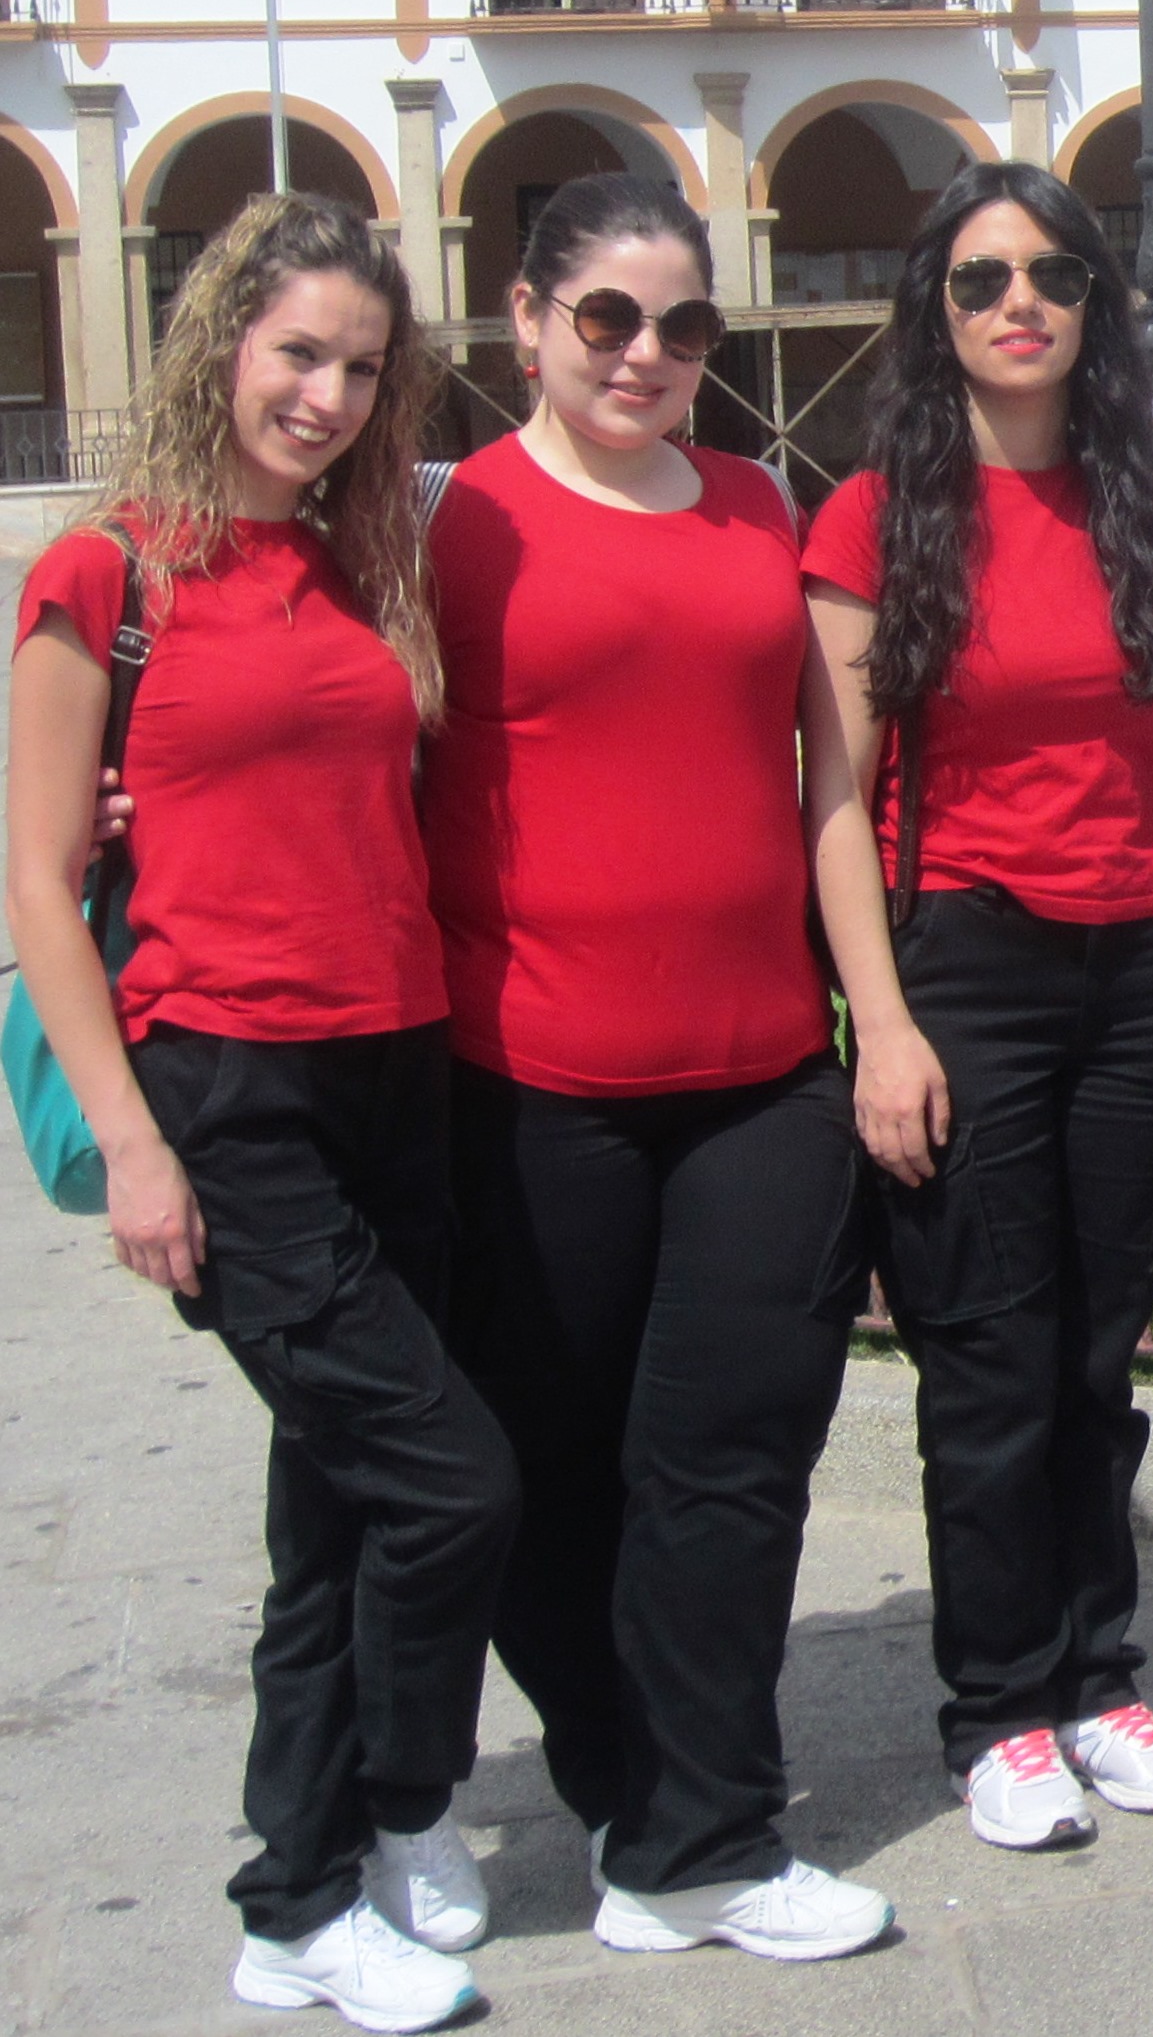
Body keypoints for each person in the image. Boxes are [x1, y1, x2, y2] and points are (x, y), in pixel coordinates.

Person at [6, 196, 510, 2035]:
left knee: (341, 1511)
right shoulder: (106, 574)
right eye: (298, 349)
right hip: (223, 1085)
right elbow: (40, 883)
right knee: (453, 1481)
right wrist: (134, 1142)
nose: (325, 391)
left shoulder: (372, 557)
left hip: (399, 1066)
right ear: (220, 334)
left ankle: (328, 1885)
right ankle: (320, 1869)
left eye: (363, 367)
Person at [426, 173, 893, 1959]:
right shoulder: (454, 520)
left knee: (737, 1461)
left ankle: (703, 1828)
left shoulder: (754, 502)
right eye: (607, 317)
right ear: (527, 318)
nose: (644, 352)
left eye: (683, 325)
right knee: (552, 1466)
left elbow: (830, 786)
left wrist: (875, 1022)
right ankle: (625, 1780)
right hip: (533, 1075)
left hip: (759, 1072)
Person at [804, 166, 1153, 1848]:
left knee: (1098, 1353)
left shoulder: (1150, 509)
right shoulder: (874, 519)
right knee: (989, 1355)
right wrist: (884, 1022)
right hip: (963, 958)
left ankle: (1099, 1674)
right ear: (938, 308)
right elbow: (832, 789)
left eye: (1053, 274)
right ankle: (1000, 1707)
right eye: (981, 280)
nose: (1019, 304)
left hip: (1135, 959)